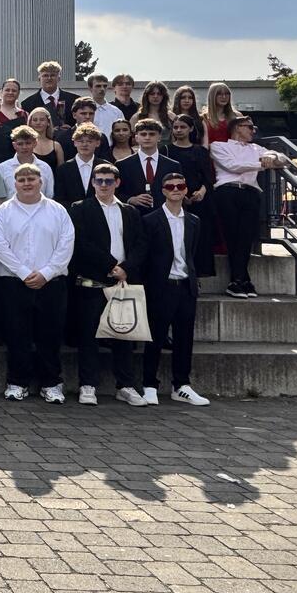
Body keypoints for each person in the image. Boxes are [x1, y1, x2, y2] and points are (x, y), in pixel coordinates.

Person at [0, 164, 75, 403]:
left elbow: (66, 244)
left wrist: (46, 273)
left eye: (31, 179)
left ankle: (51, 384)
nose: (27, 183)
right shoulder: (4, 211)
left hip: (51, 283)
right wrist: (25, 273)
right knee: (17, 336)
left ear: (41, 181)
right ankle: (17, 382)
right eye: (22, 180)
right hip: (13, 282)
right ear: (14, 183)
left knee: (50, 335)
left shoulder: (58, 211)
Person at [67, 162, 146, 407]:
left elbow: (140, 245)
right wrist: (111, 265)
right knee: (88, 336)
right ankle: (88, 385)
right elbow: (80, 243)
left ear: (117, 183)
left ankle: (125, 385)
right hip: (93, 280)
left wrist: (125, 268)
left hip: (122, 281)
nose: (103, 185)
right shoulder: (80, 208)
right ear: (92, 183)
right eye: (99, 180)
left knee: (123, 336)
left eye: (108, 181)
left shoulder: (130, 211)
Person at [140, 172, 211, 406]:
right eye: (170, 186)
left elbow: (191, 254)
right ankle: (149, 384)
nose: (175, 190)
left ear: (185, 189)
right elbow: (145, 256)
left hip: (185, 286)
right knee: (155, 338)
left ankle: (181, 385)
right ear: (163, 190)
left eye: (180, 185)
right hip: (161, 286)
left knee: (184, 338)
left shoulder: (193, 221)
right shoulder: (150, 220)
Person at [211, 116, 289, 298]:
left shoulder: (257, 149)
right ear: (237, 128)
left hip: (250, 192)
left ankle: (238, 280)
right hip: (227, 191)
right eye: (249, 127)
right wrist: (262, 164)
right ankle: (240, 280)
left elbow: (284, 159)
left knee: (246, 236)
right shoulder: (219, 146)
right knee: (232, 235)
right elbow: (233, 166)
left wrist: (272, 156)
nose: (253, 131)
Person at [164, 114, 216, 277]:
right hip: (174, 200)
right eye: (176, 127)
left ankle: (197, 276)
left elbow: (209, 177)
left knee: (199, 239)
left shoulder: (200, 151)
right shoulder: (166, 150)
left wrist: (201, 191)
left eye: (183, 127)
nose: (179, 130)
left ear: (191, 129)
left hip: (199, 200)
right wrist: (178, 195)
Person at [117, 118, 181, 212]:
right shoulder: (122, 165)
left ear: (159, 137)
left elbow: (179, 192)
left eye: (152, 134)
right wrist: (130, 199)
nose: (147, 137)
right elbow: (116, 192)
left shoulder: (173, 165)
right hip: (134, 216)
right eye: (143, 134)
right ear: (136, 138)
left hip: (163, 217)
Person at [0, 125, 56, 199]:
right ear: (14, 145)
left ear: (35, 143)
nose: (24, 147)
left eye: (28, 143)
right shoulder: (1, 169)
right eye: (20, 144)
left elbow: (49, 195)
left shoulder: (45, 168)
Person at [56, 123, 105, 208]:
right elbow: (59, 198)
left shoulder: (105, 167)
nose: (84, 144)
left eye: (89, 141)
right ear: (74, 143)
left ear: (97, 143)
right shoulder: (63, 169)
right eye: (80, 141)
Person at [21, 60, 79, 127]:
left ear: (59, 78)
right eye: (45, 75)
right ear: (39, 79)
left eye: (53, 75)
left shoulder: (74, 100)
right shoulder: (27, 104)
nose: (49, 78)